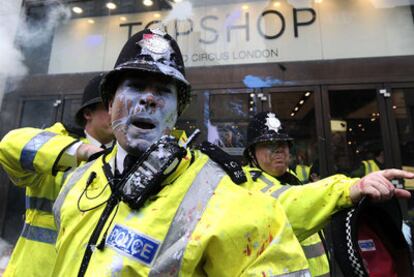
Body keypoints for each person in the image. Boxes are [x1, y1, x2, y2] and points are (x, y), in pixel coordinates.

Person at [0, 29, 312, 276]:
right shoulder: (78, 181)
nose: (149, 99)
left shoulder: (225, 197)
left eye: (163, 91)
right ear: (109, 104)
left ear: (177, 112)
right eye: (135, 86)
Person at [241, 112, 413, 277]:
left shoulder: (289, 179)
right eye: (269, 144)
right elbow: (288, 203)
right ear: (251, 153)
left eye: (283, 144)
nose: (279, 150)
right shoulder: (247, 186)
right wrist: (350, 189)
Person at [1, 73, 113, 277]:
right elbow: (9, 145)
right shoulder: (58, 140)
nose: (117, 113)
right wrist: (79, 152)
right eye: (109, 106)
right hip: (35, 271)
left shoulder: (123, 157)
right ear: (88, 113)